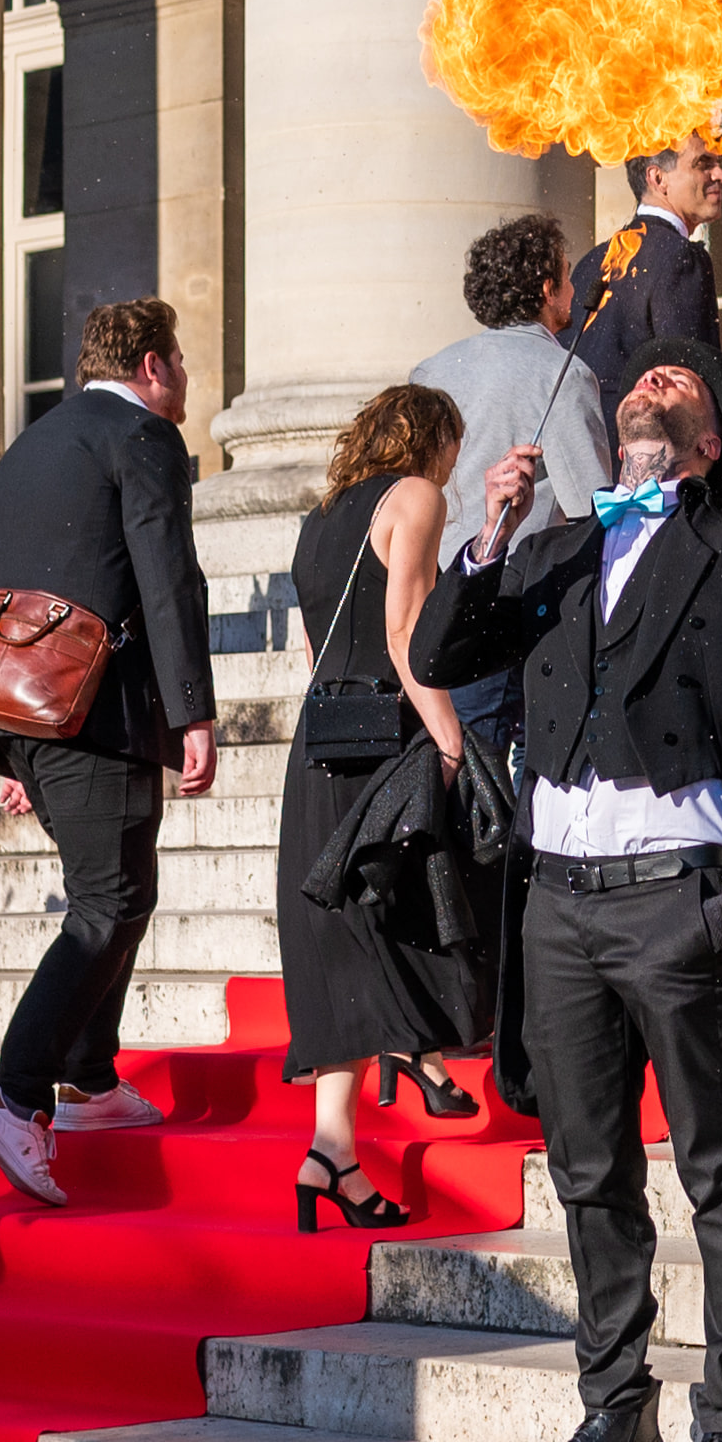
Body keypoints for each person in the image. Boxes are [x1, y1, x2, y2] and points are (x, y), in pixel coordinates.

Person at [408, 339, 722, 1442]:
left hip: (675, 892)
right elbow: (437, 652)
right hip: (556, 899)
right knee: (586, 1170)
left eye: (676, 386)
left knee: (715, 1163)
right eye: (641, 379)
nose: (648, 385)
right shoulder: (550, 549)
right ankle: (615, 1411)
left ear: (707, 442)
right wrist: (489, 535)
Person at [0, 295, 221, 1203]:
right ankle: (18, 1091)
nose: (185, 378)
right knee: (109, 899)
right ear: (151, 365)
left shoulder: (30, 444)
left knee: (120, 890)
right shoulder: (143, 436)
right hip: (96, 711)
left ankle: (91, 1079)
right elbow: (167, 575)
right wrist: (194, 711)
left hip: (29, 709)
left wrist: (12, 743)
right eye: (179, 360)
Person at [280, 384, 491, 1226]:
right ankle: (421, 1048)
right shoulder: (417, 496)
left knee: (351, 933)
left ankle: (331, 1151)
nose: (453, 466)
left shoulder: (322, 513)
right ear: (432, 439)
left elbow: (312, 645)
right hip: (383, 736)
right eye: (454, 447)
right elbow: (406, 634)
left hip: (320, 741)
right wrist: (448, 739)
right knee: (423, 906)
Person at [406, 213, 615, 760]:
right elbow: (595, 510)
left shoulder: (428, 371)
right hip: (507, 614)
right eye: (566, 275)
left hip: (426, 611)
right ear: (547, 289)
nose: (574, 290)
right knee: (492, 785)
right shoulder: (562, 372)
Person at [571, 141, 722, 401]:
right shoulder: (681, 256)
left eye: (718, 164)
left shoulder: (589, 262)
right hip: (643, 425)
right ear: (658, 179)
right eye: (703, 164)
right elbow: (692, 384)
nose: (720, 175)